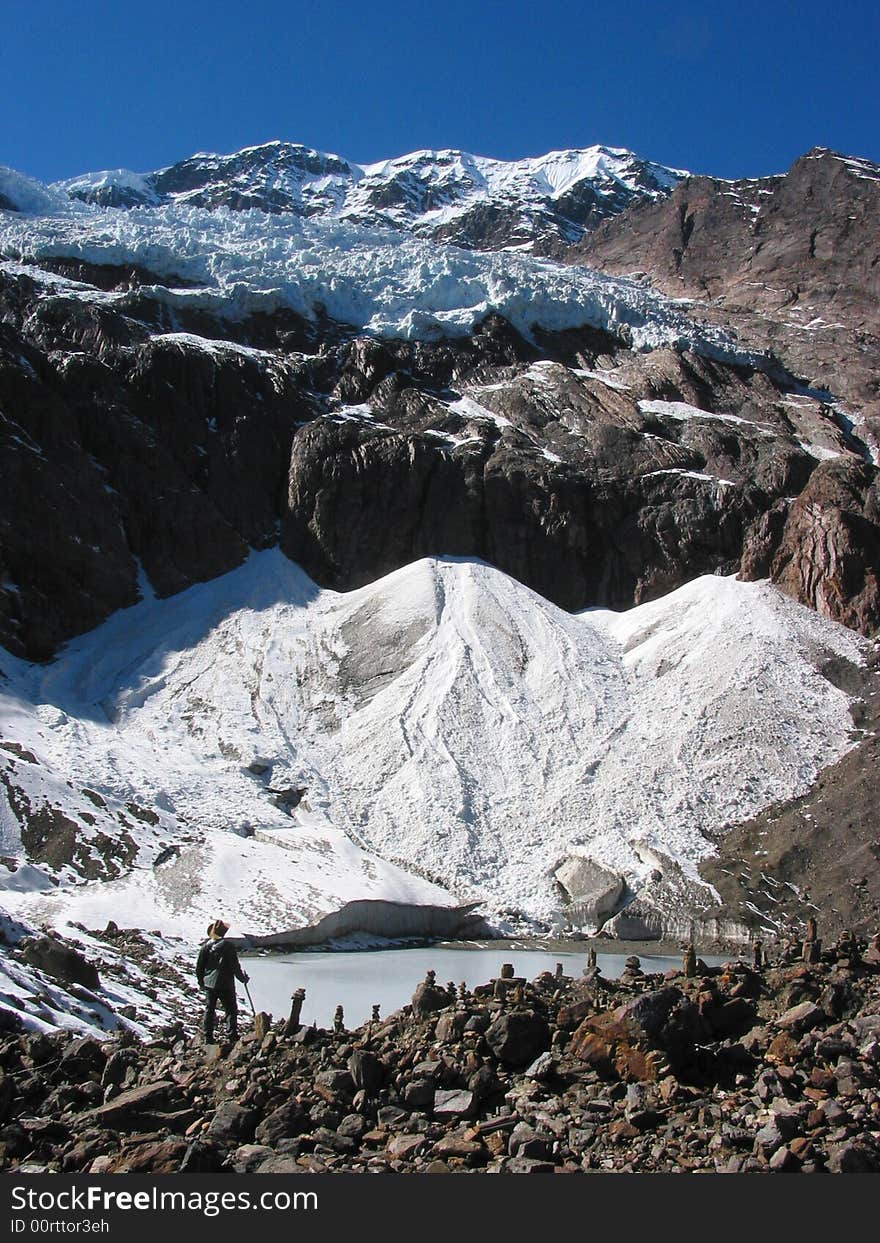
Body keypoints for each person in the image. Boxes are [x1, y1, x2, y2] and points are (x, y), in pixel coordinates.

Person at [195, 918, 249, 1042]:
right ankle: (231, 1035)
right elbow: (235, 966)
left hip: (209, 984)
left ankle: (208, 1036)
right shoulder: (228, 947)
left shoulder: (205, 947)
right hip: (226, 984)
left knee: (210, 1009)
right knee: (231, 1009)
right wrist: (242, 978)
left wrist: (201, 982)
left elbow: (199, 967)